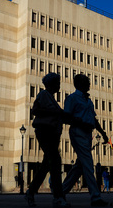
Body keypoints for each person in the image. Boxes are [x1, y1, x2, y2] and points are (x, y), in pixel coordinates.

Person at [62, 74, 111, 207]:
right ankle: (95, 197)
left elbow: (94, 119)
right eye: (87, 82)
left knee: (80, 166)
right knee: (88, 163)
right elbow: (65, 117)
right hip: (78, 133)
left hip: (88, 134)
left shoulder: (88, 101)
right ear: (79, 84)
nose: (89, 84)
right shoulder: (72, 98)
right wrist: (77, 121)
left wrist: (103, 133)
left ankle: (61, 192)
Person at [25, 73, 69, 207]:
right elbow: (35, 110)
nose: (59, 85)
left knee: (47, 165)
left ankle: (31, 192)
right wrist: (56, 113)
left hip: (52, 134)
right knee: (55, 161)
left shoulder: (51, 98)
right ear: (52, 84)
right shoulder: (44, 95)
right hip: (45, 132)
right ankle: (58, 197)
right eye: (57, 82)